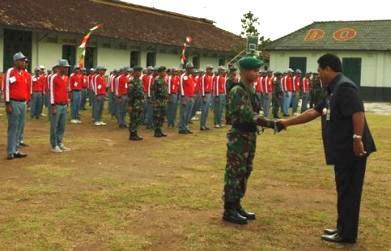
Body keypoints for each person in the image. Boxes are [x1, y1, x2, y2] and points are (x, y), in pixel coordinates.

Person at [278, 53, 376, 243]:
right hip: (342, 150)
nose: (318, 74)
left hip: (352, 150)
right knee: (343, 189)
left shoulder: (345, 87)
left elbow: (358, 113)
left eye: (319, 70)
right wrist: (286, 122)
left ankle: (347, 235)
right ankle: (342, 228)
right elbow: (314, 111)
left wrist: (357, 139)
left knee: (349, 191)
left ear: (328, 69)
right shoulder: (333, 89)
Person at [223, 56, 284, 225]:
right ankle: (229, 209)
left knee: (245, 171)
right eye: (254, 71)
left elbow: (256, 111)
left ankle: (237, 204)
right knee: (235, 172)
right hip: (239, 136)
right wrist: (271, 123)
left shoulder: (251, 90)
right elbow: (248, 114)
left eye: (258, 71)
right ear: (244, 72)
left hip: (249, 136)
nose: (257, 74)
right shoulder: (238, 91)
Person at [4, 52, 30, 160]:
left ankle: (16, 149)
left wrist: (27, 101)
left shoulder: (24, 73)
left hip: (22, 103)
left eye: (24, 61)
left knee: (20, 127)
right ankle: (11, 151)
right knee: (13, 127)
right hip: (13, 103)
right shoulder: (10, 72)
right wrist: (7, 103)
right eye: (22, 60)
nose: (24, 62)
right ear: (16, 61)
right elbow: (6, 88)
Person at [50, 59, 71, 153]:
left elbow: (66, 92)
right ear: (60, 68)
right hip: (56, 105)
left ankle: (60, 142)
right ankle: (54, 145)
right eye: (65, 67)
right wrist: (53, 105)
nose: (67, 69)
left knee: (62, 125)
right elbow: (51, 92)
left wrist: (67, 104)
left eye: (68, 67)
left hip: (64, 105)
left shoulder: (66, 78)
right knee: (54, 126)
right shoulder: (54, 77)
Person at [128, 66, 145, 141]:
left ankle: (135, 133)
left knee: (137, 119)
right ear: (134, 72)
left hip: (139, 103)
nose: (139, 73)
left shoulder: (139, 81)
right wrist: (130, 105)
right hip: (134, 103)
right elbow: (130, 95)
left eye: (140, 71)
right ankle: (132, 134)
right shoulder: (132, 82)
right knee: (133, 119)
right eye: (138, 71)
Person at [178, 62, 195, 134]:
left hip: (191, 97)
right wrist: (183, 97)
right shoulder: (183, 76)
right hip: (185, 97)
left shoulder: (191, 76)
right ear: (187, 69)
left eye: (192, 68)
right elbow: (181, 87)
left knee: (188, 113)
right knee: (183, 113)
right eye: (191, 68)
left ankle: (186, 126)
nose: (192, 69)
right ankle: (182, 128)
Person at [151, 66, 168, 137]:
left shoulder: (163, 80)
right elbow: (153, 91)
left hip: (163, 101)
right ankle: (156, 131)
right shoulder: (156, 80)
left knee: (162, 116)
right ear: (160, 72)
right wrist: (155, 101)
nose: (165, 73)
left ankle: (160, 130)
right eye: (163, 72)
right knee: (157, 116)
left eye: (165, 71)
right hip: (158, 101)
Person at [200, 65, 214, 130]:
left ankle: (204, 124)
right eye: (209, 69)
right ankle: (202, 125)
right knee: (204, 110)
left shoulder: (210, 77)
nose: (210, 71)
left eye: (211, 69)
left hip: (209, 94)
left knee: (207, 111)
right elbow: (202, 86)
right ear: (206, 70)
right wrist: (203, 95)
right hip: (205, 94)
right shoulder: (204, 77)